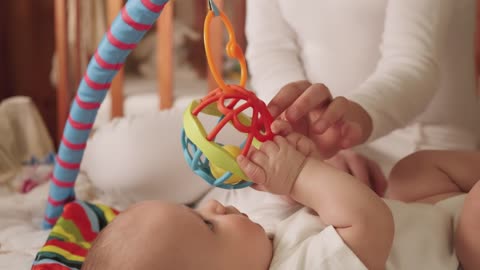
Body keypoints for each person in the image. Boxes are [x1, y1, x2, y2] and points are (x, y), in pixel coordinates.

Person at [81, 120, 476, 270]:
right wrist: (301, 175)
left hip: (426, 218)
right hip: (458, 255)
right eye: (206, 224)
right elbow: (369, 222)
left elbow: (307, 205)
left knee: (413, 170)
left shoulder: (255, 245)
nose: (215, 204)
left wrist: (299, 172)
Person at [245, 0, 480, 187]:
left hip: (425, 150)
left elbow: (412, 64)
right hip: (323, 146)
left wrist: (347, 124)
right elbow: (270, 50)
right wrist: (299, 136)